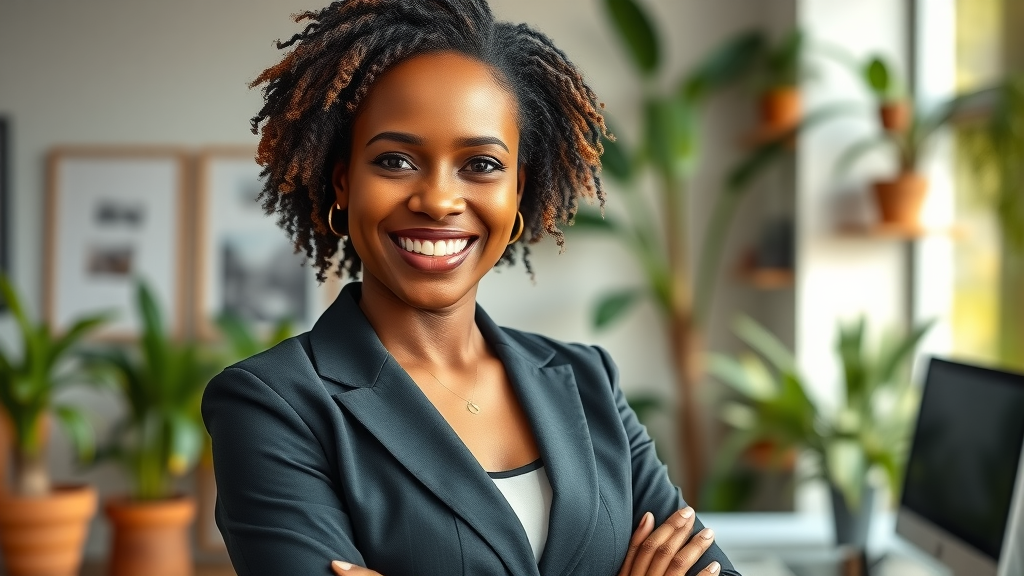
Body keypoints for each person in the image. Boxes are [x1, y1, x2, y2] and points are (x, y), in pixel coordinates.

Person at [201, 1, 741, 575]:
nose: (437, 200)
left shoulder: (587, 382)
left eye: (481, 164)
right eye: (394, 160)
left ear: (516, 192)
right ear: (343, 183)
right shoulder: (272, 405)